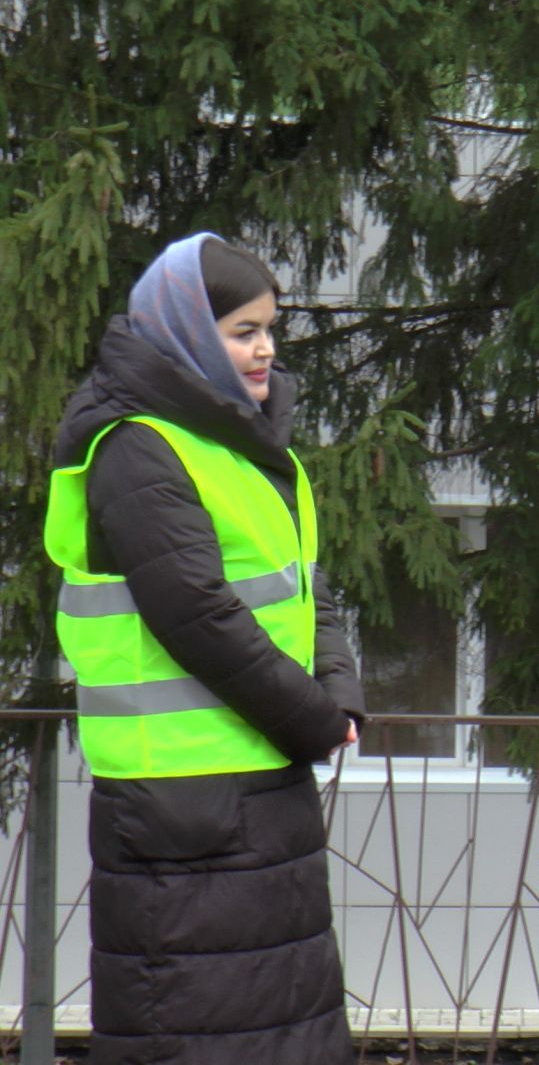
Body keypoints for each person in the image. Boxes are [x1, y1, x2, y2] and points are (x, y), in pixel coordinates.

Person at [44, 234, 363, 1063]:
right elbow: (196, 613)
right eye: (241, 330)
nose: (264, 350)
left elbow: (302, 583)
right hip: (181, 808)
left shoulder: (243, 446)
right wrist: (313, 720)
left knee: (278, 1034)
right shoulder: (137, 445)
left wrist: (339, 692)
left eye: (270, 330)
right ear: (185, 330)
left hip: (253, 789)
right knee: (196, 1037)